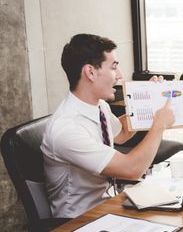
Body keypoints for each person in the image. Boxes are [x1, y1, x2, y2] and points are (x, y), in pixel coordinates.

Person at [41, 33, 175, 218]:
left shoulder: (98, 105)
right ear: (90, 72)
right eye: (114, 68)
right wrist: (159, 125)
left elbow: (121, 133)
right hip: (78, 223)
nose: (119, 76)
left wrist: (148, 103)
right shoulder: (67, 129)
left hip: (107, 207)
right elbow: (132, 170)